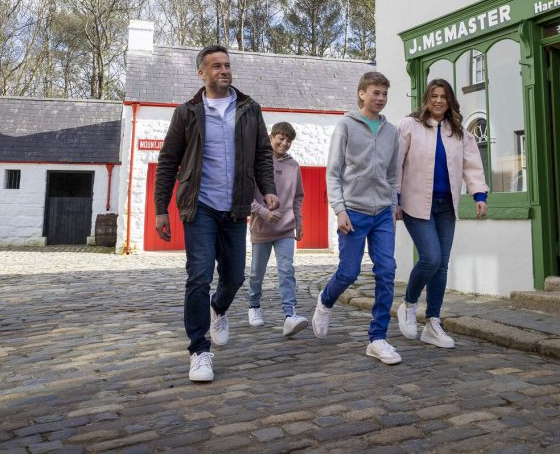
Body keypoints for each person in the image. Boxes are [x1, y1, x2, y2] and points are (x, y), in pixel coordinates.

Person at [154, 44, 279, 383]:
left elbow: (262, 155)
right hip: (201, 206)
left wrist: (267, 189)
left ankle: (218, 309)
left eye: (227, 65)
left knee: (235, 276)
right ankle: (199, 350)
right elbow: (167, 162)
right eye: (216, 66)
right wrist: (160, 209)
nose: (224, 70)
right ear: (202, 73)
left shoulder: (250, 109)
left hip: (236, 208)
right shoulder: (188, 112)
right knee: (198, 276)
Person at [312, 71, 402, 365]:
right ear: (362, 93)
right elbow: (334, 172)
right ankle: (325, 300)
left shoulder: (391, 132)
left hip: (383, 215)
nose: (380, 98)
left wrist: (393, 204)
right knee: (349, 272)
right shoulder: (346, 126)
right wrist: (339, 210)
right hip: (353, 213)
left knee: (387, 270)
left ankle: (377, 338)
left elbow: (392, 174)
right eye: (375, 92)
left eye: (384, 94)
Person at [395, 78, 488, 349]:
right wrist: (395, 199)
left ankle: (433, 323)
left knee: (442, 266)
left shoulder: (459, 132)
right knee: (431, 258)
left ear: (449, 102)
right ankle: (409, 304)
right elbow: (395, 164)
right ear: (427, 99)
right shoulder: (409, 126)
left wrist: (479, 195)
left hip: (446, 206)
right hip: (415, 203)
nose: (438, 101)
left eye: (443, 97)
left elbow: (472, 165)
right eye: (434, 96)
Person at [246, 121, 309, 338]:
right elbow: (247, 196)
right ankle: (254, 306)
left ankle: (289, 314)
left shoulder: (294, 166)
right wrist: (264, 213)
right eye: (281, 138)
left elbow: (298, 197)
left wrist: (298, 221)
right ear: (272, 137)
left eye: (289, 140)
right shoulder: (258, 162)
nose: (284, 143)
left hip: (285, 229)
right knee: (257, 273)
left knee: (286, 270)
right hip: (261, 228)